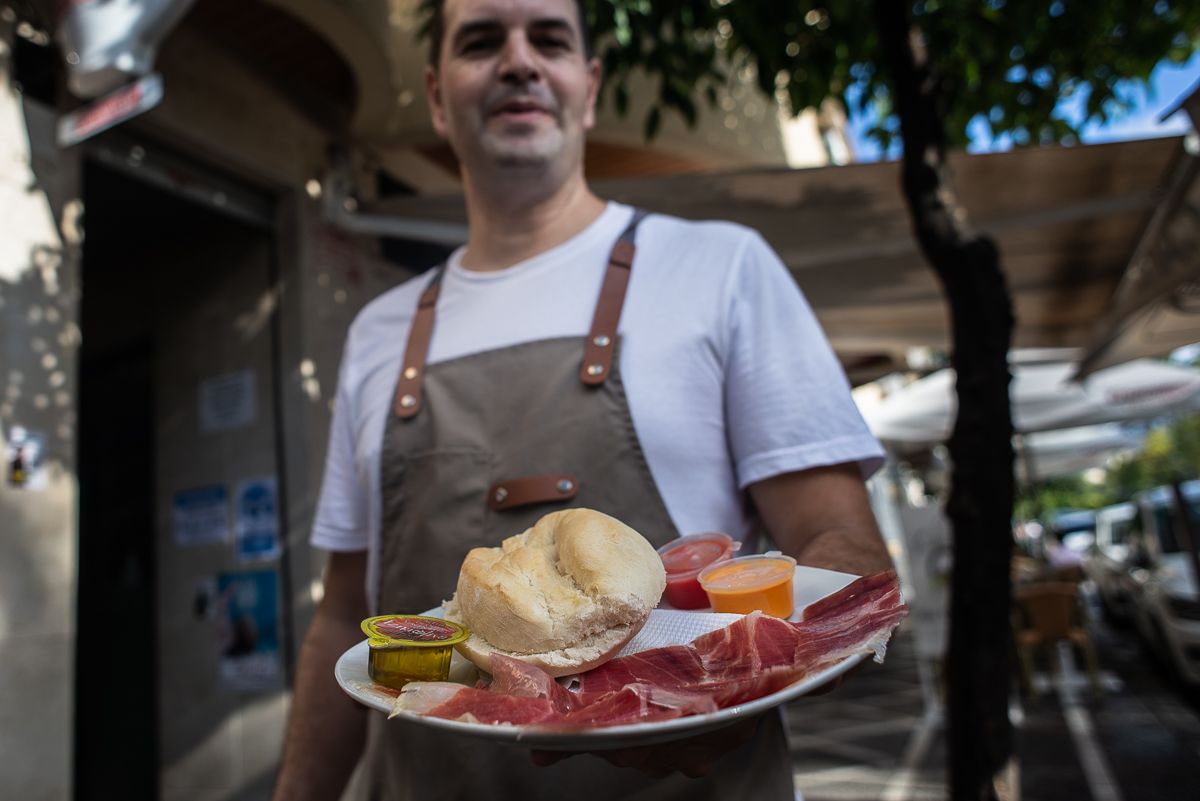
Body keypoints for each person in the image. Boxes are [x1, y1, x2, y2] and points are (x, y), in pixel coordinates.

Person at [273, 0, 893, 798]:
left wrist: (753, 679)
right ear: (436, 95)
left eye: (550, 38)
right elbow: (340, 617)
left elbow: (841, 542)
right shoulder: (375, 333)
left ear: (590, 86)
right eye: (482, 41)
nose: (519, 61)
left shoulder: (722, 268)